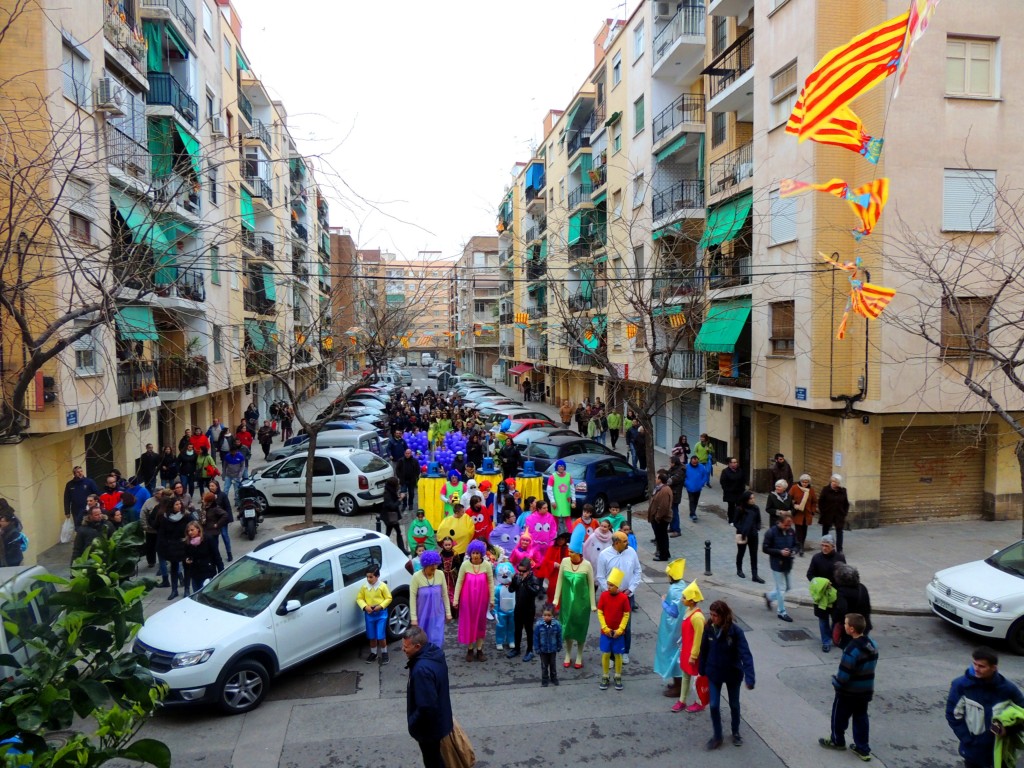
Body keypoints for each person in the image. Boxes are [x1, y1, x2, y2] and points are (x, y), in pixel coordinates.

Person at [946, 647, 1024, 768]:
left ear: (993, 668)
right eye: (974, 664)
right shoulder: (960, 686)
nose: (976, 669)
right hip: (973, 752)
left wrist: (1007, 731)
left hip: (999, 751)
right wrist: (967, 739)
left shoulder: (1008, 689)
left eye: (982, 666)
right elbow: (952, 714)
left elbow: (1022, 713)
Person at [819, 613, 878, 761]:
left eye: (845, 624)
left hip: (848, 693)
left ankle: (837, 740)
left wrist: (835, 682)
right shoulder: (872, 645)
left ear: (851, 629)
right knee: (861, 718)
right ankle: (862, 748)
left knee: (838, 717)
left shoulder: (851, 650)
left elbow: (844, 675)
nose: (843, 625)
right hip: (864, 691)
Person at [700, 599, 755, 750]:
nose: (712, 618)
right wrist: (701, 669)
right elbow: (703, 649)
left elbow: (746, 655)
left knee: (734, 705)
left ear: (723, 616)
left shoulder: (735, 632)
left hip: (732, 674)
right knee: (714, 705)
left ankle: (735, 731)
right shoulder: (709, 628)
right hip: (714, 673)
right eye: (711, 614)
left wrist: (750, 678)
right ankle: (717, 736)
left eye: (715, 615)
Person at [403, 626, 454, 768]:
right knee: (436, 757)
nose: (403, 649)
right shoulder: (435, 653)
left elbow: (426, 705)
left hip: (429, 729)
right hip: (440, 720)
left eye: (406, 647)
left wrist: (412, 722)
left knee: (433, 760)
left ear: (418, 646)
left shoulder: (421, 670)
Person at [596, 531, 643, 665]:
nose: (628, 543)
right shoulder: (604, 555)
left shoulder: (632, 552)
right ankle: (610, 655)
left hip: (626, 595)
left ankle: (624, 651)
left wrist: (631, 589)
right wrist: (611, 591)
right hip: (610, 597)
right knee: (610, 624)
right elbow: (600, 576)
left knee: (626, 626)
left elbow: (637, 571)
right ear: (616, 543)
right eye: (625, 541)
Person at [552, 542, 596, 670]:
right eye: (569, 551)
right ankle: (567, 653)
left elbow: (591, 586)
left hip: (582, 604)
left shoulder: (587, 565)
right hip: (566, 602)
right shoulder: (565, 562)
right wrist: (556, 598)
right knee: (567, 629)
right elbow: (559, 581)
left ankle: (579, 655)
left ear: (579, 553)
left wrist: (593, 604)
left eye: (572, 552)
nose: (569, 553)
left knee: (580, 629)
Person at [453, 540, 494, 662]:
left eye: (477, 553)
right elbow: (459, 582)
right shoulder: (465, 565)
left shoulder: (486, 565)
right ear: (470, 553)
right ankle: (470, 649)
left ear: (481, 553)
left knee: (480, 623)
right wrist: (455, 599)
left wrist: (492, 600)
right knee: (469, 623)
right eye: (473, 553)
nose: (475, 555)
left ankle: (479, 649)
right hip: (467, 600)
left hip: (482, 600)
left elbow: (491, 583)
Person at [654, 558, 687, 699]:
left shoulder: (674, 589)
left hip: (673, 630)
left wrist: (663, 602)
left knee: (674, 655)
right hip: (679, 627)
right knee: (675, 654)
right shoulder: (683, 585)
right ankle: (677, 683)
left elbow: (673, 612)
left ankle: (679, 686)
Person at [806, 534, 846, 652]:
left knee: (836, 619)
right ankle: (826, 641)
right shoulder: (816, 558)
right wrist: (821, 583)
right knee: (823, 619)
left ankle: (834, 637)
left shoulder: (840, 558)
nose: (824, 548)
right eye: (822, 545)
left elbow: (844, 575)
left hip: (835, 595)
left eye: (826, 546)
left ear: (833, 546)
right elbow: (810, 575)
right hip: (821, 595)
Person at [674, 580, 707, 713]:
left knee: (697, 679)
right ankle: (682, 700)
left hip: (694, 653)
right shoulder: (689, 611)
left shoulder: (697, 617)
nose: (682, 600)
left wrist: (693, 656)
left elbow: (698, 638)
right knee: (686, 675)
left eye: (684, 598)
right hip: (686, 650)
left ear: (692, 601)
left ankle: (700, 701)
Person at [597, 567, 631, 692]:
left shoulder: (623, 598)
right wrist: (605, 628)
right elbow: (600, 612)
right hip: (606, 632)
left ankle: (618, 676)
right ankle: (605, 675)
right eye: (608, 585)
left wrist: (621, 629)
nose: (608, 587)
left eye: (611, 585)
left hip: (618, 633)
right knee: (605, 654)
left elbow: (626, 614)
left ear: (617, 586)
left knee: (618, 655)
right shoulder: (604, 596)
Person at [410, 551, 452, 649]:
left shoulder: (440, 574)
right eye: (431, 565)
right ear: (425, 565)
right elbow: (412, 598)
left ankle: (435, 658)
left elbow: (445, 595)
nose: (434, 567)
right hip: (422, 615)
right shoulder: (416, 577)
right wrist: (413, 618)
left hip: (437, 614)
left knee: (436, 640)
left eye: (435, 564)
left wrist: (448, 613)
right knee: (423, 641)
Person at [762, 511, 797, 622]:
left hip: (787, 563)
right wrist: (779, 552)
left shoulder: (791, 531)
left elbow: (797, 545)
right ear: (780, 522)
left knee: (787, 587)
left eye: (789, 525)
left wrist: (792, 551)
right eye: (786, 525)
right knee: (781, 588)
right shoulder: (771, 532)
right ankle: (781, 612)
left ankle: (769, 596)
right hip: (777, 564)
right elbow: (765, 548)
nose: (787, 527)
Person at [507, 556, 543, 662]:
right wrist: (513, 582)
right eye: (519, 570)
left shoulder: (534, 579)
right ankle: (516, 648)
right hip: (518, 607)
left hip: (529, 609)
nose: (521, 573)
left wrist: (525, 583)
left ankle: (530, 650)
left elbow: (535, 592)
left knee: (528, 630)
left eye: (523, 571)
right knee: (517, 629)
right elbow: (511, 590)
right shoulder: (517, 577)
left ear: (529, 570)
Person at [357, 564, 393, 664]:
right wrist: (365, 606)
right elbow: (359, 598)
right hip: (369, 613)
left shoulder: (382, 586)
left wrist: (381, 606)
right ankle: (373, 653)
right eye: (367, 577)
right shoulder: (364, 587)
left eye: (371, 577)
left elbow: (388, 598)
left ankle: (384, 653)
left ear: (377, 576)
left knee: (380, 635)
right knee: (371, 635)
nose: (368, 579)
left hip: (380, 613)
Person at [832, 564, 872, 648]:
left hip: (851, 628)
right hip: (864, 625)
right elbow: (868, 607)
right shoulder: (862, 587)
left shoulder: (842, 592)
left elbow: (841, 611)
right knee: (862, 649)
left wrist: (836, 621)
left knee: (849, 651)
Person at [157, 499, 190, 599]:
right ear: (172, 506)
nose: (179, 506)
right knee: (174, 568)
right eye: (176, 504)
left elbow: (192, 528)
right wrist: (164, 546)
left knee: (186, 567)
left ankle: (187, 589)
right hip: (172, 546)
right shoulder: (166, 519)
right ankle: (174, 590)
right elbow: (162, 534)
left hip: (184, 545)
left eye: (180, 504)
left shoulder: (186, 517)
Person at [734, 491, 764, 583]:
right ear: (746, 500)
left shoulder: (756, 508)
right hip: (742, 535)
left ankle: (755, 575)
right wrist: (743, 530)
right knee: (741, 552)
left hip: (753, 535)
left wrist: (757, 528)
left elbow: (758, 520)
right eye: (751, 498)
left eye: (753, 498)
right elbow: (735, 522)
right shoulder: (740, 509)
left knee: (754, 555)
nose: (753, 500)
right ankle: (739, 570)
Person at [182, 521, 216, 597]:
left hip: (207, 571)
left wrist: (221, 571)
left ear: (198, 529)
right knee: (197, 595)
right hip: (195, 573)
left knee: (208, 595)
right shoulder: (187, 542)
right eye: (188, 531)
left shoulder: (208, 539)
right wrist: (186, 560)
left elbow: (216, 555)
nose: (190, 532)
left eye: (192, 530)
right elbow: (185, 555)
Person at [819, 474, 850, 553]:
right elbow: (821, 501)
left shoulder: (843, 491)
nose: (834, 483)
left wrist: (844, 513)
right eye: (832, 481)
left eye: (836, 482)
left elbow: (846, 503)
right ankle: (824, 547)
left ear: (839, 483)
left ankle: (839, 549)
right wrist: (823, 511)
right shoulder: (825, 489)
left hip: (839, 515)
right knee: (825, 531)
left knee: (839, 532)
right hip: (827, 514)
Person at [534, 604, 563, 687]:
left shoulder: (557, 625)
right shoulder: (539, 625)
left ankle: (554, 678)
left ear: (553, 615)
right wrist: (537, 648)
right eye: (545, 615)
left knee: (553, 665)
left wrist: (559, 645)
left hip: (553, 649)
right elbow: (536, 637)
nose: (547, 617)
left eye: (549, 615)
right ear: (542, 615)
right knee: (544, 666)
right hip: (543, 650)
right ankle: (544, 679)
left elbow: (559, 636)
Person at [648, 471, 673, 561]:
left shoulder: (665, 490)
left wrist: (657, 517)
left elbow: (664, 506)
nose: (655, 479)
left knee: (661, 537)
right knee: (662, 536)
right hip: (659, 518)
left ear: (660, 480)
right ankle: (665, 553)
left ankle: (663, 555)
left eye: (656, 477)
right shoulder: (660, 488)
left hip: (661, 519)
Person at [546, 460, 576, 535]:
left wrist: (574, 500)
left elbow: (572, 488)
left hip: (566, 501)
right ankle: (554, 534)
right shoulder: (552, 477)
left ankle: (570, 534)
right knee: (555, 518)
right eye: (559, 466)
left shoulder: (568, 476)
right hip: (556, 501)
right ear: (557, 467)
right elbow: (549, 490)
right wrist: (552, 501)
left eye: (562, 466)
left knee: (567, 517)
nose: (561, 468)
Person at [790, 474, 817, 556]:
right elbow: (789, 499)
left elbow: (814, 501)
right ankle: (800, 547)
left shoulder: (810, 490)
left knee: (804, 531)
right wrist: (794, 505)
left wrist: (812, 511)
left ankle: (801, 545)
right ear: (800, 481)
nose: (805, 484)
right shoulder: (795, 488)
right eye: (803, 482)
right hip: (798, 513)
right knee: (798, 531)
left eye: (806, 482)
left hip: (807, 514)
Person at [381, 477, 408, 554]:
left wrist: (398, 497)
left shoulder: (391, 491)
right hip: (389, 517)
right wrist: (400, 499)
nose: (398, 485)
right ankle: (401, 550)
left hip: (392, 516)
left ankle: (402, 549)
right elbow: (392, 506)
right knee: (390, 533)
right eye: (397, 483)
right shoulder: (387, 494)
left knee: (395, 532)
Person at [719, 457, 745, 525]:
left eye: (736, 462)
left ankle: (738, 519)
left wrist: (742, 489)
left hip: (739, 492)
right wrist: (727, 489)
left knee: (739, 506)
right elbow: (723, 482)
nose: (735, 464)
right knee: (731, 506)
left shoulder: (740, 471)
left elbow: (743, 481)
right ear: (729, 464)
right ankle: (731, 520)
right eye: (733, 462)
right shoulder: (725, 471)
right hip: (730, 493)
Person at [683, 454, 709, 522]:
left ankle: (693, 511)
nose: (695, 464)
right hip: (690, 488)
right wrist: (686, 483)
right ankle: (692, 514)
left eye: (696, 462)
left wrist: (702, 483)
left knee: (696, 500)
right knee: (691, 500)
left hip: (698, 487)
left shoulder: (701, 467)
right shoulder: (686, 467)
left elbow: (705, 476)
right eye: (693, 462)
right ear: (691, 461)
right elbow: (683, 476)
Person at [666, 455, 686, 536]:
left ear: (674, 463)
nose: (669, 463)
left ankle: (677, 530)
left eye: (670, 462)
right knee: (671, 512)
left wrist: (664, 479)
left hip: (675, 494)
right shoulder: (673, 469)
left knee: (674, 512)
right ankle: (672, 527)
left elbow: (671, 481)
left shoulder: (680, 471)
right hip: (671, 493)